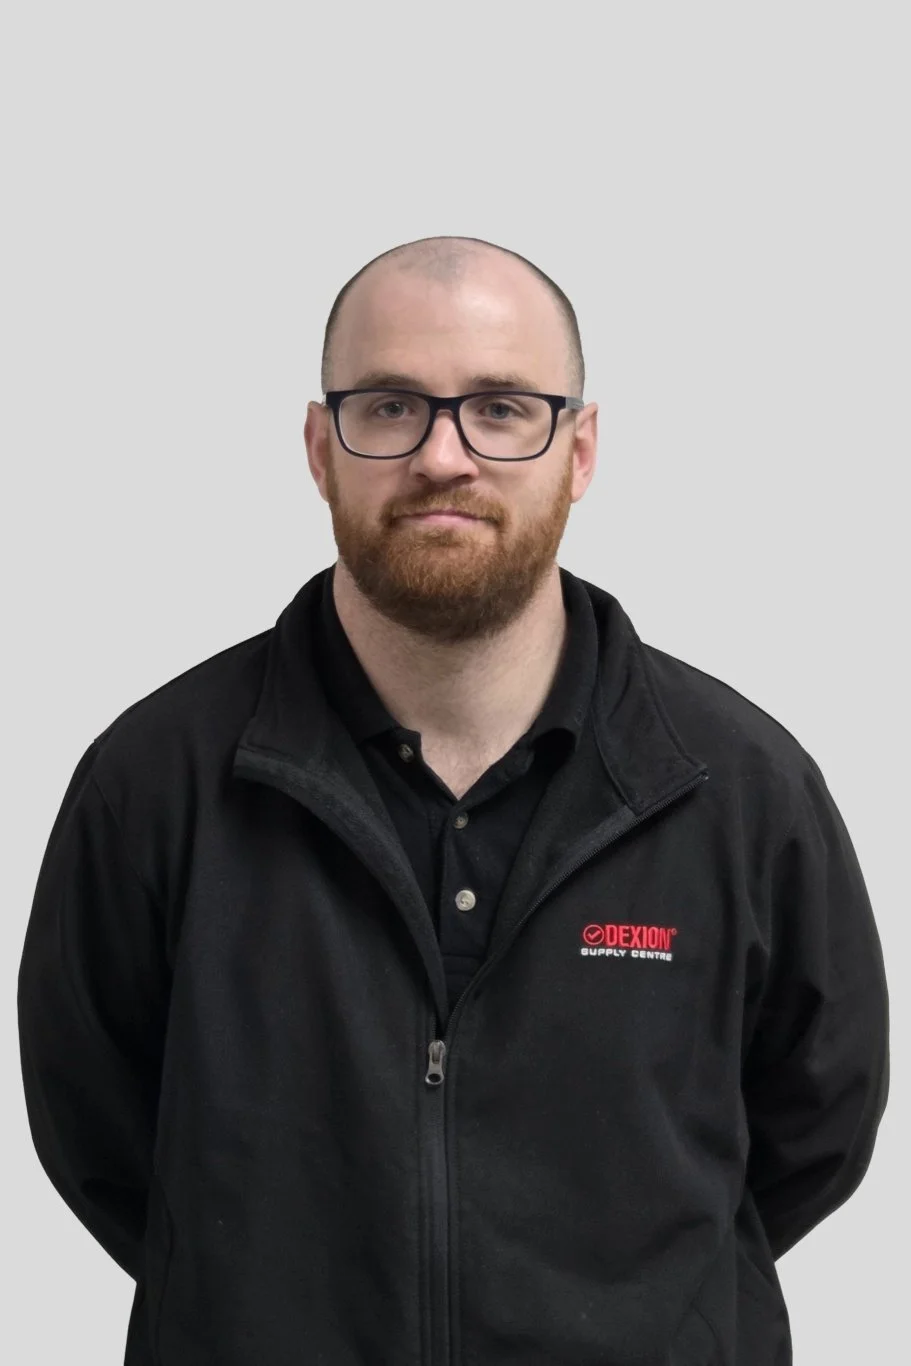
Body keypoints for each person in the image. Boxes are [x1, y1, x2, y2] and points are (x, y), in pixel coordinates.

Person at [17, 235, 889, 1366]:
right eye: (389, 407)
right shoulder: (154, 782)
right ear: (319, 449)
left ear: (578, 450)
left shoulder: (740, 788)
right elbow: (97, 1136)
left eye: (500, 409)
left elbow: (815, 1131)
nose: (442, 457)